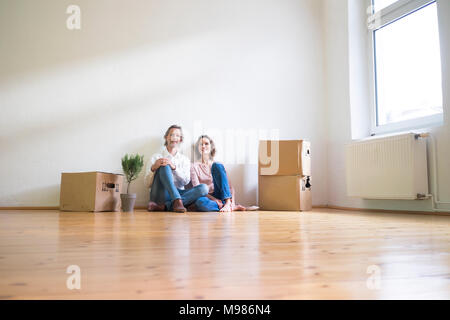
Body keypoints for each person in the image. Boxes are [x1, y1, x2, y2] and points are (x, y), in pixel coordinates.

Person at [145, 125, 208, 213]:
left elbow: (186, 181)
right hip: (161, 194)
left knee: (204, 188)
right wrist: (153, 168)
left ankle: (166, 206)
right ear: (166, 137)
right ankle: (176, 201)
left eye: (177, 136)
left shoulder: (185, 159)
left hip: (180, 192)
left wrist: (174, 168)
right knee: (164, 165)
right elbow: (147, 184)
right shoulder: (155, 157)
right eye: (171, 135)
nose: (174, 137)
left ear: (180, 140)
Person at [190, 135, 247, 212]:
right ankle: (226, 206)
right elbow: (198, 189)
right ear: (198, 147)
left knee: (217, 165)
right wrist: (215, 200)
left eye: (206, 144)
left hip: (221, 194)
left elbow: (230, 187)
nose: (203, 146)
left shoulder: (218, 165)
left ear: (211, 146)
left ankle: (228, 204)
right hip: (207, 197)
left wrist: (231, 202)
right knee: (200, 203)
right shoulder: (194, 166)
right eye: (201, 144)